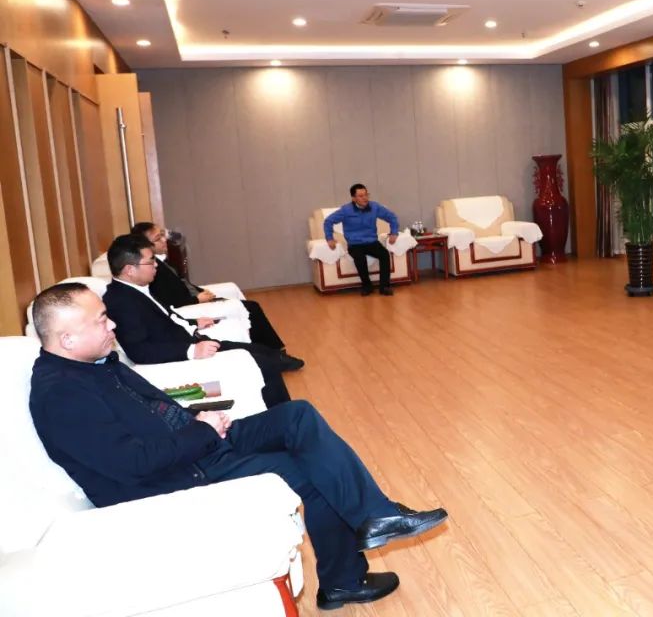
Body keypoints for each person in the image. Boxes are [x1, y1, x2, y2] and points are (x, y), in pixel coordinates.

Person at [29, 282, 448, 608]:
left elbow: (150, 411)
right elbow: (133, 463)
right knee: (308, 472)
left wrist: (199, 419)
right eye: (101, 321)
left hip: (196, 443)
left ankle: (377, 515)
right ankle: (344, 580)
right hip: (178, 475)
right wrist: (202, 431)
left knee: (297, 415)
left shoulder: (92, 364)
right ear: (67, 339)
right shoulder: (62, 394)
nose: (112, 326)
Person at [102, 234, 293, 407]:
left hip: (191, 342)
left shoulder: (136, 289)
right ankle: (284, 421)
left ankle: (285, 407)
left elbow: (166, 316)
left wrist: (193, 323)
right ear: (130, 270)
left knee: (261, 352)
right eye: (150, 261)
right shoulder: (120, 302)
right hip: (179, 360)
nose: (156, 265)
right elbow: (139, 351)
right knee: (262, 365)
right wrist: (192, 350)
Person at [131, 221, 302, 367]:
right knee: (251, 308)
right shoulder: (151, 273)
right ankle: (274, 353)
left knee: (249, 307)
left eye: (162, 235)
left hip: (193, 304)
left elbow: (181, 285)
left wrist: (199, 291)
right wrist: (197, 299)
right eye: (158, 238)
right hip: (189, 308)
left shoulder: (159, 263)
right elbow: (171, 300)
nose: (164, 240)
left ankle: (272, 352)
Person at [324, 184, 400, 296]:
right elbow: (328, 221)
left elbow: (392, 217)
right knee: (360, 258)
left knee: (384, 255)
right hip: (355, 244)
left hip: (372, 242)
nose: (365, 198)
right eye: (360, 196)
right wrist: (329, 238)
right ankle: (367, 286)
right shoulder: (346, 210)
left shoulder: (374, 207)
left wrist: (394, 232)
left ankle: (384, 287)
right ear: (353, 198)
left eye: (366, 195)